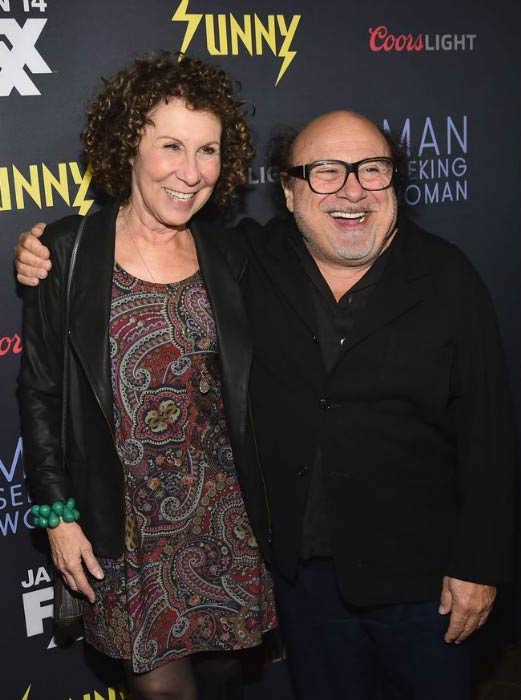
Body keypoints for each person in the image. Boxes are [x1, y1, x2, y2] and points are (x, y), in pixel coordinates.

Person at [16, 110, 515, 700]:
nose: (352, 191)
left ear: (394, 184)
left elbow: (490, 435)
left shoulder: (448, 277)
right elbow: (56, 370)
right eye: (326, 172)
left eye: (373, 171)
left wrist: (479, 566)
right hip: (303, 581)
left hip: (423, 581)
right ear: (289, 190)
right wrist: (41, 245)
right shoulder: (254, 258)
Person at [17, 51, 276, 700]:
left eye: (208, 150)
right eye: (170, 146)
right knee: (161, 692)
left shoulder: (235, 251)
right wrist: (56, 514)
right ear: (127, 146)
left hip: (227, 518)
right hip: (124, 527)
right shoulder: (66, 252)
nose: (190, 173)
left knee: (222, 679)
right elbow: (41, 390)